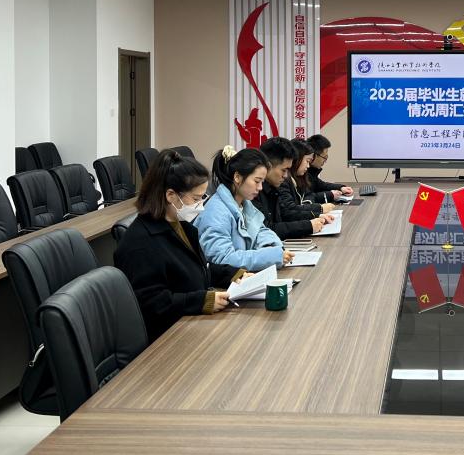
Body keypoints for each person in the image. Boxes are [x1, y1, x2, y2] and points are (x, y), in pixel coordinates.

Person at [114, 149, 250, 341]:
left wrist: (235, 275)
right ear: (171, 195)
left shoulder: (181, 225)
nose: (200, 206)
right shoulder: (140, 244)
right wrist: (202, 301)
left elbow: (198, 269)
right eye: (195, 199)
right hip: (168, 338)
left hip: (190, 323)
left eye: (202, 197)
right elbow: (151, 303)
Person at [194, 146, 289, 272]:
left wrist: (270, 246)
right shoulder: (215, 213)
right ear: (237, 177)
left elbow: (260, 230)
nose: (260, 188)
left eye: (262, 182)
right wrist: (269, 256)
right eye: (257, 181)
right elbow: (223, 259)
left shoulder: (244, 203)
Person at [255, 137, 333, 239]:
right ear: (268, 166)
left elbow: (286, 213)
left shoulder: (272, 186)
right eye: (284, 170)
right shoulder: (254, 192)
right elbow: (267, 229)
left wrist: (315, 216)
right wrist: (308, 226)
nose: (286, 175)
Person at [280, 139, 336, 218]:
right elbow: (290, 209)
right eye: (307, 161)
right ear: (297, 159)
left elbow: (309, 195)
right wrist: (319, 209)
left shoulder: (300, 177)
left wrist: (307, 206)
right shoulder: (283, 180)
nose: (308, 166)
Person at [305, 134, 353, 203]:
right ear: (314, 155)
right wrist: (330, 195)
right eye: (324, 157)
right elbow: (306, 198)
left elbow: (321, 185)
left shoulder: (311, 172)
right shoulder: (302, 173)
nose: (325, 161)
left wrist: (341, 188)